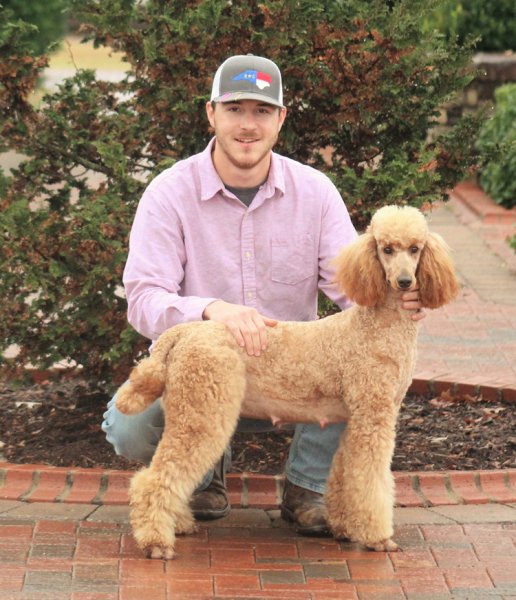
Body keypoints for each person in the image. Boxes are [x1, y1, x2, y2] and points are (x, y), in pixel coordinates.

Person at [102, 54, 425, 536]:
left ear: (281, 119)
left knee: (362, 370)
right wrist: (211, 310)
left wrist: (399, 303)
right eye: (234, 109)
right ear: (211, 114)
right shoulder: (168, 194)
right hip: (208, 370)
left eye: (262, 111)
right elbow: (144, 300)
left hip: (297, 379)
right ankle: (201, 477)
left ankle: (308, 487)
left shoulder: (315, 192)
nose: (248, 125)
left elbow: (353, 289)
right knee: (131, 427)